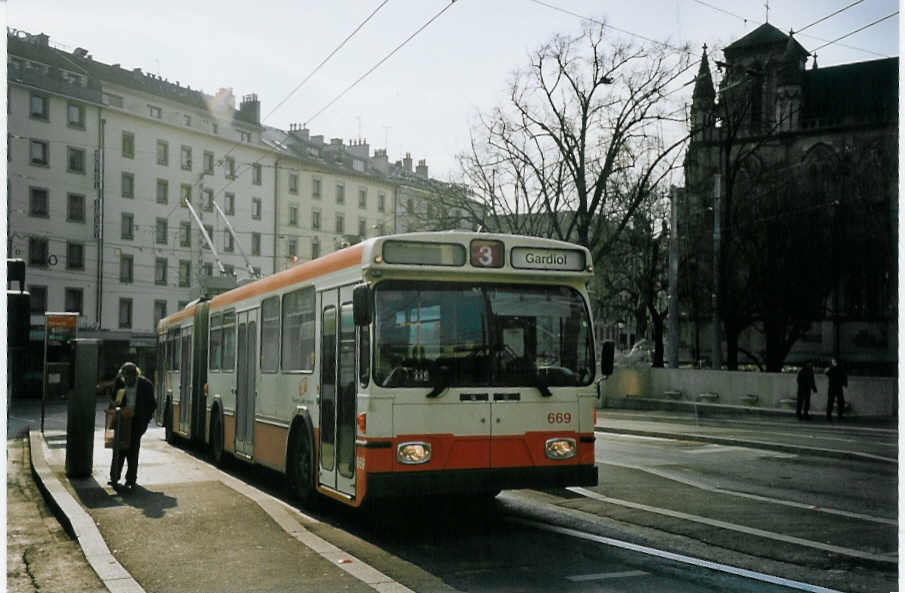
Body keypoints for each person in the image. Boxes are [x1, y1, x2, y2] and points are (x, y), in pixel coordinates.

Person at [108, 362, 156, 491]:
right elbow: (113, 399)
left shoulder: (145, 385)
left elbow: (152, 404)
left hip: (136, 422)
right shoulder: (119, 383)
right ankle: (114, 477)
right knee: (118, 450)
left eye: (129, 377)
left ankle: (131, 479)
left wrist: (145, 420)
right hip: (121, 421)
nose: (127, 379)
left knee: (133, 451)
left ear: (135, 375)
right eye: (125, 377)